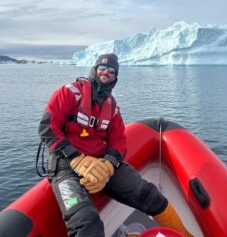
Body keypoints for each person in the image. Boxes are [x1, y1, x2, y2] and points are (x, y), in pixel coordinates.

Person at [38, 53, 192, 237]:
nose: (106, 72)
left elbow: (119, 141)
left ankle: (184, 234)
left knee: (149, 194)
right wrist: (76, 159)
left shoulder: (112, 107)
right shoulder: (69, 92)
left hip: (101, 164)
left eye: (111, 70)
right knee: (87, 223)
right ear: (95, 69)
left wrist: (108, 163)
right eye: (102, 68)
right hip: (67, 165)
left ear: (115, 77)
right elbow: (47, 127)